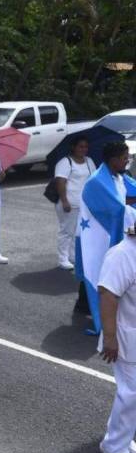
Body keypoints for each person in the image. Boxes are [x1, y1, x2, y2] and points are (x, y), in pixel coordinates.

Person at [76, 141, 136, 333]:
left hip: (107, 233)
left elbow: (126, 195)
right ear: (114, 159)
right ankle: (90, 308)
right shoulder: (96, 182)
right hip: (96, 235)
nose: (127, 162)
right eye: (124, 158)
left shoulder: (117, 176)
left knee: (103, 270)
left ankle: (85, 305)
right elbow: (117, 209)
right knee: (96, 269)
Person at [97, 226, 136, 453]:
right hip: (125, 339)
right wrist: (110, 338)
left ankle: (122, 438)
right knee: (131, 394)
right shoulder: (123, 254)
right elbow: (108, 295)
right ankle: (114, 447)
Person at [54, 136, 95, 270]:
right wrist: (65, 201)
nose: (84, 149)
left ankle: (73, 256)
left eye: (86, 147)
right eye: (81, 146)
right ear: (73, 147)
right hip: (69, 203)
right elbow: (60, 182)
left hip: (84, 204)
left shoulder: (89, 161)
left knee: (78, 231)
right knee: (66, 231)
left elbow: (94, 179)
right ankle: (62, 259)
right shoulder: (65, 162)